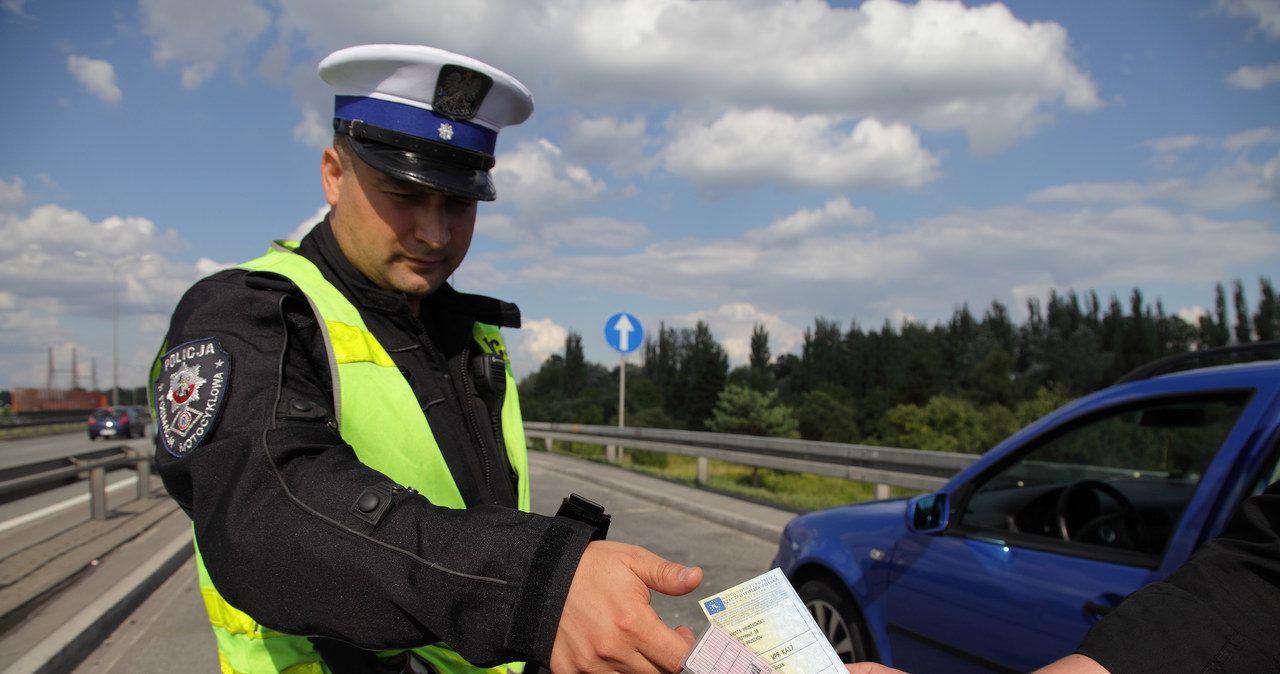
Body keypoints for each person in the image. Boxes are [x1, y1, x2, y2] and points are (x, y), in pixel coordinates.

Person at [151, 43, 702, 674]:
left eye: (459, 203)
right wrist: (533, 586)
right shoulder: (248, 313)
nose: (435, 234)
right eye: (403, 194)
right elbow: (271, 509)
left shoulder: (469, 334)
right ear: (335, 173)